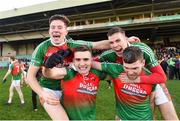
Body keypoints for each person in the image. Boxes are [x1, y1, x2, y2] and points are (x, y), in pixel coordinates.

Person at [27, 14, 110, 120]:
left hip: (70, 88)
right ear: (49, 31)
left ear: (66, 32)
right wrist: (42, 93)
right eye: (53, 27)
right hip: (50, 89)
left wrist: (125, 41)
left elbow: (99, 45)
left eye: (60, 27)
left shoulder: (73, 45)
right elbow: (30, 76)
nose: (55, 30)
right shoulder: (41, 48)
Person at [98, 27, 178, 120]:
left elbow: (162, 77)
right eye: (111, 42)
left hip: (154, 84)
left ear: (125, 38)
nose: (115, 45)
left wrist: (137, 79)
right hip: (131, 87)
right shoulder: (109, 54)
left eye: (118, 40)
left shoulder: (143, 49)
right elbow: (90, 63)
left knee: (171, 118)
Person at [92, 46, 156, 120]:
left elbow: (151, 102)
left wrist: (152, 118)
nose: (130, 73)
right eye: (126, 67)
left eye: (135, 68)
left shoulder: (151, 77)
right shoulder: (117, 70)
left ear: (143, 63)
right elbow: (92, 64)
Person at [42, 45, 104, 120]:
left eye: (86, 59)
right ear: (73, 61)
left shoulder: (97, 74)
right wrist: (47, 66)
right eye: (78, 60)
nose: (82, 64)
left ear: (91, 60)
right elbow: (50, 74)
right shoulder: (69, 73)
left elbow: (116, 75)